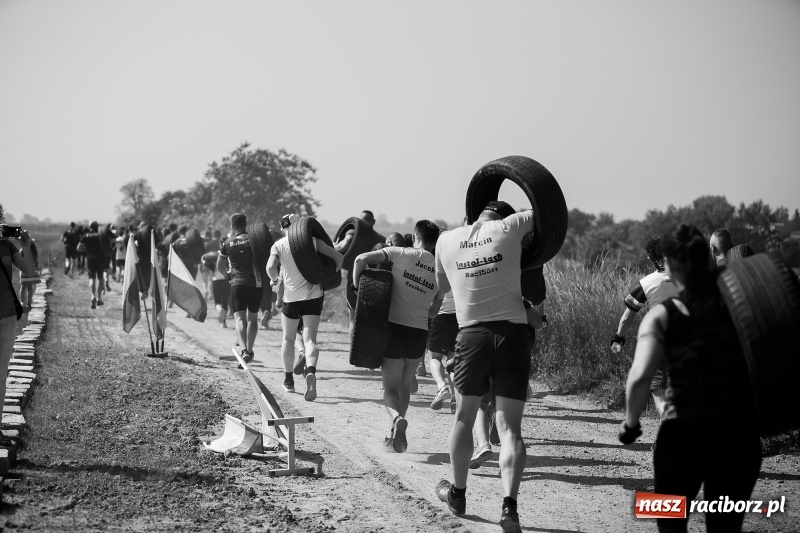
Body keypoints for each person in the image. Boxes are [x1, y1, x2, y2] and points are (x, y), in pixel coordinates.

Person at [620, 223, 760, 533]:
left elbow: (640, 378)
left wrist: (631, 425)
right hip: (738, 437)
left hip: (684, 435)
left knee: (671, 524)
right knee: (725, 527)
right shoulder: (739, 306)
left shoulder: (663, 315)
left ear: (671, 264)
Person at [434, 200, 534, 532]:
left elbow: (444, 286)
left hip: (471, 335)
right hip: (512, 334)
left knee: (464, 416)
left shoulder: (445, 238)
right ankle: (509, 508)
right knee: (509, 430)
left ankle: (458, 495)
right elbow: (550, 213)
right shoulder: (511, 226)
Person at [352, 220, 441, 453]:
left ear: (415, 235)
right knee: (404, 385)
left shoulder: (400, 253)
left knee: (390, 387)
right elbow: (433, 310)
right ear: (434, 241)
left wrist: (357, 289)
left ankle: (396, 419)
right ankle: (394, 434)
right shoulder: (442, 268)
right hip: (419, 333)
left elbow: (360, 259)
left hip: (393, 330)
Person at [268, 214, 343, 401]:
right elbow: (338, 257)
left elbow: (270, 267)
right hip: (313, 296)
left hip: (291, 298)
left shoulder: (278, 245)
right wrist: (328, 276)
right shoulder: (313, 241)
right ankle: (310, 371)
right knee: (310, 339)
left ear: (284, 227)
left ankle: (288, 381)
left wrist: (275, 280)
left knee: (288, 338)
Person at [611, 236, 679, 416]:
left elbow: (627, 316)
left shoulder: (646, 283)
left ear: (650, 257)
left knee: (660, 393)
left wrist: (619, 337)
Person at [1, 205, 36, 413]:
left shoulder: (7, 245)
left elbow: (29, 270)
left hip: (6, 317)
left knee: (1, 376)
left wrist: (26, 244)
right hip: (6, 315)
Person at [217, 214, 262, 364]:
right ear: (245, 224)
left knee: (239, 319)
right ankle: (249, 349)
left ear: (232, 226)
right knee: (253, 319)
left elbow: (219, 265)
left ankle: (244, 351)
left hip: (237, 284)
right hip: (256, 283)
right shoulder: (254, 240)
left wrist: (228, 276)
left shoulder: (227, 243)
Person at [334, 210, 377, 341]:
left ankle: (353, 349)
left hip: (353, 280)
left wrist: (330, 248)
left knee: (353, 318)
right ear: (373, 222)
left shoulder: (353, 233)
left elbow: (344, 245)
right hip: (372, 280)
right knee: (368, 319)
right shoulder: (377, 238)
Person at [80, 221, 105, 309]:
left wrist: (86, 249)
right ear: (97, 226)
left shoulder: (85, 235)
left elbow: (78, 248)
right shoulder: (101, 235)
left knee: (92, 278)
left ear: (90, 227)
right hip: (100, 258)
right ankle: (99, 298)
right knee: (101, 278)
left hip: (90, 259)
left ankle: (92, 296)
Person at [19, 239, 39, 309]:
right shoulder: (23, 250)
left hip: (30, 270)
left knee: (29, 287)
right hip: (24, 270)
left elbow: (35, 260)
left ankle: (29, 303)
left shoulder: (33, 252)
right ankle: (22, 302)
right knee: (23, 286)